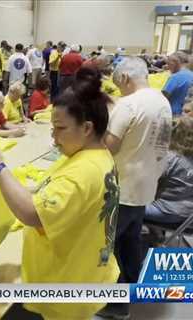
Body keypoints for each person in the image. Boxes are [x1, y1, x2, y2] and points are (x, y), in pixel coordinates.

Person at [0, 67, 119, 320]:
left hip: (65, 285)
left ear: (87, 128)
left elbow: (32, 214)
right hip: (86, 270)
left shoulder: (83, 172)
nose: (54, 138)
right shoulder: (97, 155)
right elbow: (49, 190)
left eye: (60, 128)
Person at [100, 57, 172, 319]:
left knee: (110, 248)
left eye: (119, 84)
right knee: (131, 244)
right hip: (145, 185)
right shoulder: (161, 101)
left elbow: (110, 145)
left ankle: (116, 305)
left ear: (126, 79)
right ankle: (131, 293)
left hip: (123, 187)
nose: (119, 89)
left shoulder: (128, 104)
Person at [145, 116, 193, 227]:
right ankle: (155, 236)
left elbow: (146, 178)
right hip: (188, 216)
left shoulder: (171, 158)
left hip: (165, 211)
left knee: (126, 206)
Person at [162, 51, 193, 116]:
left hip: (173, 114)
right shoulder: (191, 75)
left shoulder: (175, 77)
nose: (168, 67)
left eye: (169, 63)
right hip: (187, 115)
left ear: (176, 62)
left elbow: (163, 97)